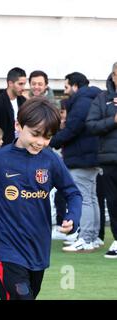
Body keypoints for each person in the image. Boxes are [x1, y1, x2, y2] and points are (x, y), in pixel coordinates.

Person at [0, 97, 82, 300]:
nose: (41, 142)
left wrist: (72, 217)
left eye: (48, 137)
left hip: (38, 249)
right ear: (18, 125)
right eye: (35, 134)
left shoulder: (51, 160)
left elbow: (73, 193)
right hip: (6, 249)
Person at [49, 72, 102, 252]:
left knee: (85, 198)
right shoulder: (93, 99)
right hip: (90, 156)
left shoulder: (82, 102)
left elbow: (72, 129)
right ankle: (92, 237)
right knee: (91, 197)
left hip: (82, 157)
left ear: (75, 86)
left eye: (66, 87)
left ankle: (86, 238)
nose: (65, 92)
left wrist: (51, 141)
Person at [86, 61, 117, 258]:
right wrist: (112, 121)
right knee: (113, 202)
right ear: (113, 76)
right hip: (109, 159)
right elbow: (91, 124)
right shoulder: (102, 98)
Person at [0, 67, 27, 145]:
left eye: (24, 84)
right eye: (20, 84)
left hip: (22, 148)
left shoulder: (24, 102)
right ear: (10, 83)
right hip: (3, 149)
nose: (23, 88)